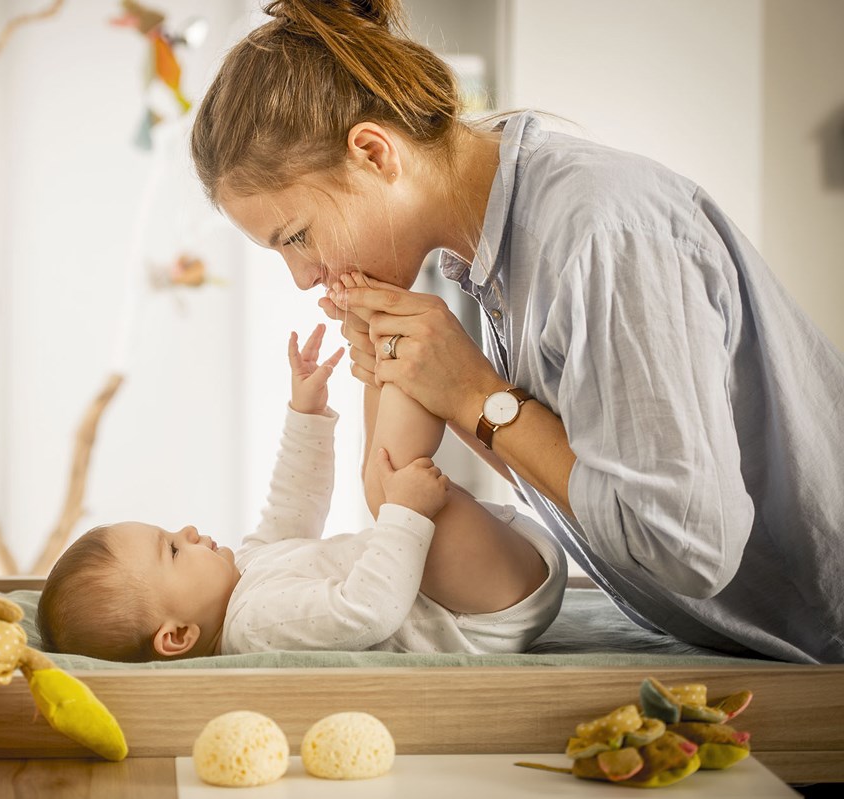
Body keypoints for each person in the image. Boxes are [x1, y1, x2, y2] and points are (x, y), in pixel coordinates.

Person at [188, 0, 844, 663]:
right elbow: (575, 474)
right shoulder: (487, 264)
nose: (303, 276)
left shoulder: (598, 234)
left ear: (372, 152)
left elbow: (688, 546)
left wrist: (477, 396)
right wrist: (442, 391)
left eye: (297, 236)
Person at [37, 324, 565, 661]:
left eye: (171, 531)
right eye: (172, 549)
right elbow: (368, 611)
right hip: (479, 612)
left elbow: (293, 504)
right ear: (176, 636)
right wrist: (403, 515)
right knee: (389, 483)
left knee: (380, 474)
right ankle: (401, 344)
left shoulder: (244, 571)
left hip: (484, 568)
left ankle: (385, 348)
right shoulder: (258, 627)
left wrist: (306, 415)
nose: (189, 530)